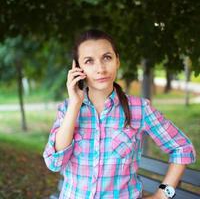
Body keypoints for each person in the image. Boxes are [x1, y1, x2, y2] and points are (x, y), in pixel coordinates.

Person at [43, 29, 196, 199]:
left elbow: (182, 148)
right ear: (78, 69)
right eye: (89, 61)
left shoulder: (139, 109)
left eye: (107, 58)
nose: (100, 68)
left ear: (117, 61)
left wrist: (163, 195)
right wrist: (74, 104)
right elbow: (54, 163)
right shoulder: (68, 108)